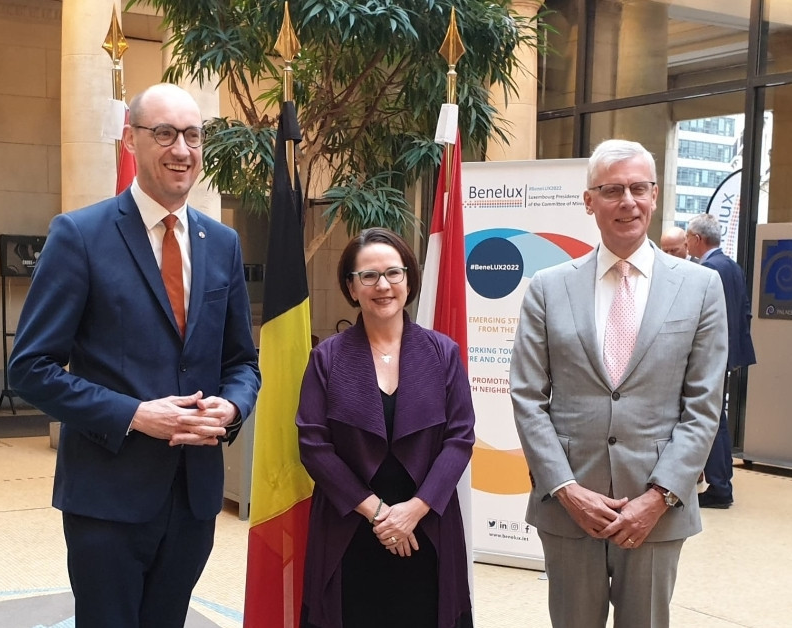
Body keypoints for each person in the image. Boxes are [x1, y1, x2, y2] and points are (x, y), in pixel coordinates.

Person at [8, 83, 260, 628]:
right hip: (108, 497)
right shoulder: (79, 235)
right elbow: (30, 369)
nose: (182, 150)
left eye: (192, 135)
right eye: (164, 133)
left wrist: (233, 408)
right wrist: (135, 415)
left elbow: (242, 361)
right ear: (131, 140)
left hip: (193, 496)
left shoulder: (222, 243)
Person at [510, 139, 728, 627]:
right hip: (570, 506)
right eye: (612, 190)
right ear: (589, 201)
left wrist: (659, 497)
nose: (627, 201)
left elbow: (704, 404)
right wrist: (566, 489)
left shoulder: (700, 287)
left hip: (658, 507)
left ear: (654, 195)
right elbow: (527, 396)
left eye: (638, 188)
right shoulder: (549, 287)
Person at [296, 227, 475, 628]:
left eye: (394, 273)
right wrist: (379, 513)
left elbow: (460, 438)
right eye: (369, 276)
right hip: (350, 526)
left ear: (409, 280)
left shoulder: (442, 353)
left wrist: (414, 510)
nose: (383, 285)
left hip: (426, 524)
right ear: (351, 286)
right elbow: (313, 445)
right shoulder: (327, 358)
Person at [686, 213, 756, 509]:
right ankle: (722, 479)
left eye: (688, 237)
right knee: (718, 418)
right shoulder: (732, 267)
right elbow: (743, 311)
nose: (687, 242)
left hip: (712, 354)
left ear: (698, 240)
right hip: (729, 352)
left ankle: (719, 485)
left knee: (709, 418)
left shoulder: (708, 271)